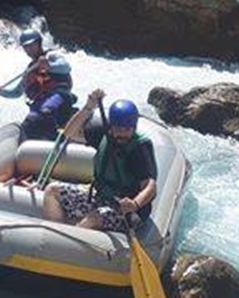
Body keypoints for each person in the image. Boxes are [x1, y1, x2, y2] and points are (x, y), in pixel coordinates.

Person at [43, 89, 157, 232]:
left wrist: (134, 204)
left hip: (127, 212)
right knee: (52, 190)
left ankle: (67, 241)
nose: (122, 134)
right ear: (111, 126)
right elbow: (69, 133)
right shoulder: (103, 134)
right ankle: (55, 236)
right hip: (100, 198)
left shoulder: (139, 148)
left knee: (96, 217)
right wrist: (88, 107)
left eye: (127, 129)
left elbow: (150, 187)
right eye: (118, 129)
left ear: (134, 127)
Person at [0, 29, 76, 142]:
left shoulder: (51, 56)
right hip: (39, 104)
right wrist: (1, 91)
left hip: (59, 97)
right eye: (26, 47)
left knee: (45, 112)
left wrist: (49, 66)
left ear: (39, 43)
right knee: (29, 123)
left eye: (32, 45)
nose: (29, 49)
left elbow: (66, 67)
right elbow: (17, 92)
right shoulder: (30, 70)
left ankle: (58, 140)